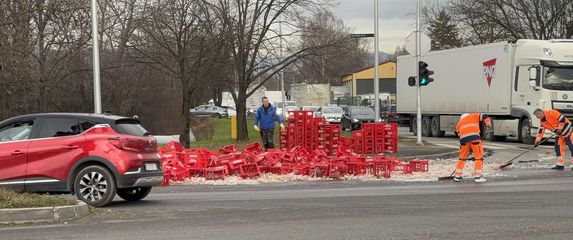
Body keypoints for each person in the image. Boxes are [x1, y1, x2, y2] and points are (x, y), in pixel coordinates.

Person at [454, 113, 492, 183]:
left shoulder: (459, 123)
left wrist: (469, 147)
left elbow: (459, 133)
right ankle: (478, 177)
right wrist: (488, 123)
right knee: (478, 157)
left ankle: (457, 176)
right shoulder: (473, 116)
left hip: (463, 141)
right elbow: (484, 116)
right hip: (474, 139)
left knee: (462, 158)